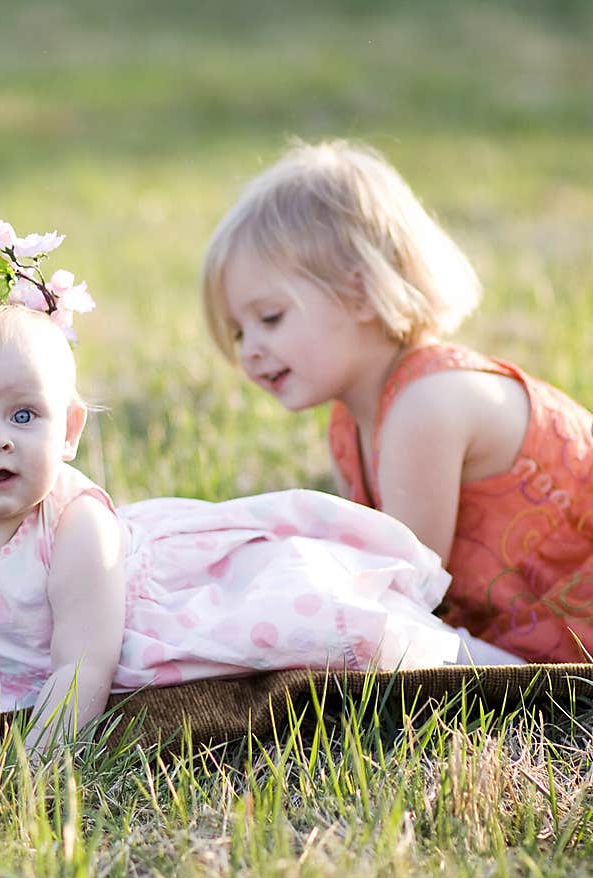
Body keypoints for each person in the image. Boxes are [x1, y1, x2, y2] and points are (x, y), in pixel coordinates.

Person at [0, 222, 516, 755]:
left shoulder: (77, 526)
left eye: (23, 414)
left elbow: (83, 661)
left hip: (160, 619)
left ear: (70, 428)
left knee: (335, 623)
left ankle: (483, 663)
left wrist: (43, 755)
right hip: (45, 661)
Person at [201, 137, 593, 665]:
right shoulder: (348, 425)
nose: (250, 350)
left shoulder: (427, 403)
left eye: (269, 318)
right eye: (237, 332)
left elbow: (406, 595)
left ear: (360, 293)